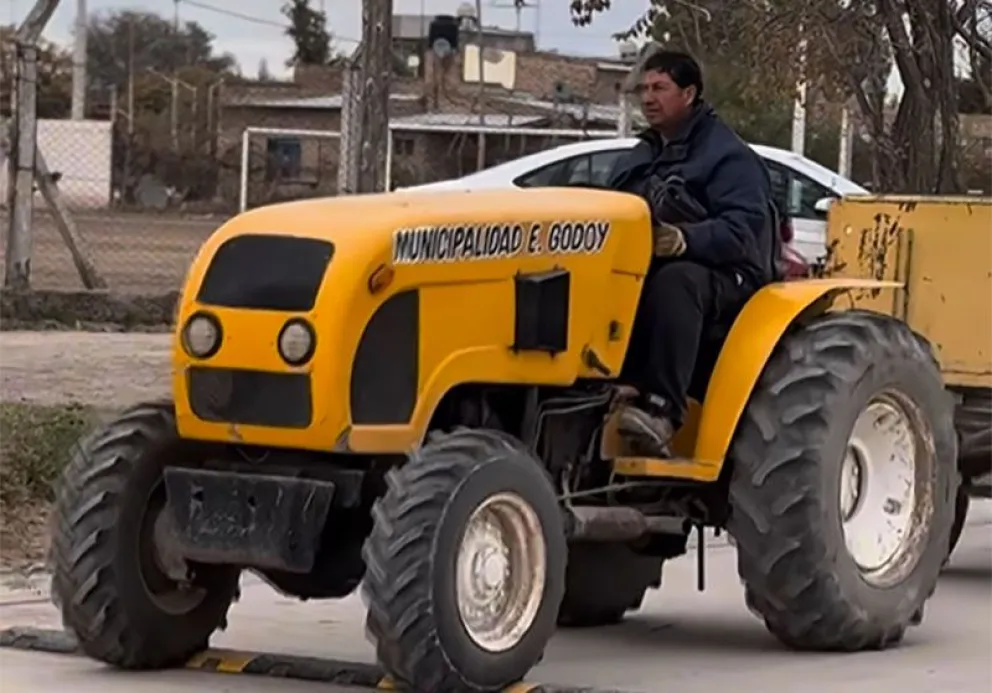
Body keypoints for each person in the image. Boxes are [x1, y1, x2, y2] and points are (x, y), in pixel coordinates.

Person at [609, 49, 776, 456]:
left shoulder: (728, 157)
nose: (648, 98)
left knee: (676, 280)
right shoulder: (644, 154)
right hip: (655, 266)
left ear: (689, 93)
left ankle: (661, 411)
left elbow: (743, 231)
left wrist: (686, 239)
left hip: (732, 276)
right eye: (644, 89)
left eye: (660, 88)